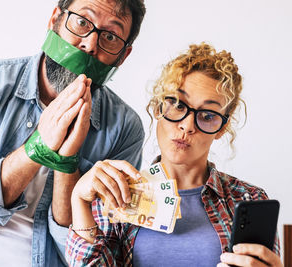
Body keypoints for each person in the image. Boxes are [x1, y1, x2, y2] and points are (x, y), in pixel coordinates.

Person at [0, 0, 146, 266]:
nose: (89, 45)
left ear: (123, 56)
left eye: (110, 36)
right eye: (82, 22)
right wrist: (37, 149)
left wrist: (67, 162)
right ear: (55, 19)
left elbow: (86, 257)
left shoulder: (124, 129)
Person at [66, 43, 283, 267]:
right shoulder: (115, 194)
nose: (187, 126)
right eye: (178, 105)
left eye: (207, 116)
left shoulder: (249, 199)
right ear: (158, 108)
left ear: (221, 129)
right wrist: (79, 200)